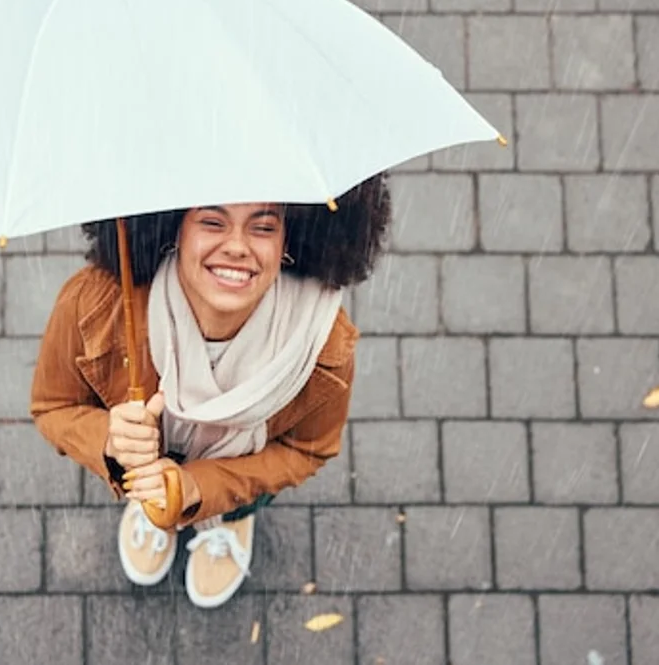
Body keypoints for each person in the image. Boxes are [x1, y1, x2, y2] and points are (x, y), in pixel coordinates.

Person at [29, 175, 390, 608]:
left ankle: (226, 522)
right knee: (151, 491)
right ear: (174, 230)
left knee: (236, 504)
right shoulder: (94, 304)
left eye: (263, 226)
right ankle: (156, 511)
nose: (238, 246)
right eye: (212, 222)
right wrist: (109, 438)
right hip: (147, 470)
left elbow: (306, 450)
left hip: (238, 483)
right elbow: (53, 405)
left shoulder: (322, 344)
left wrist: (200, 489)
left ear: (287, 240)